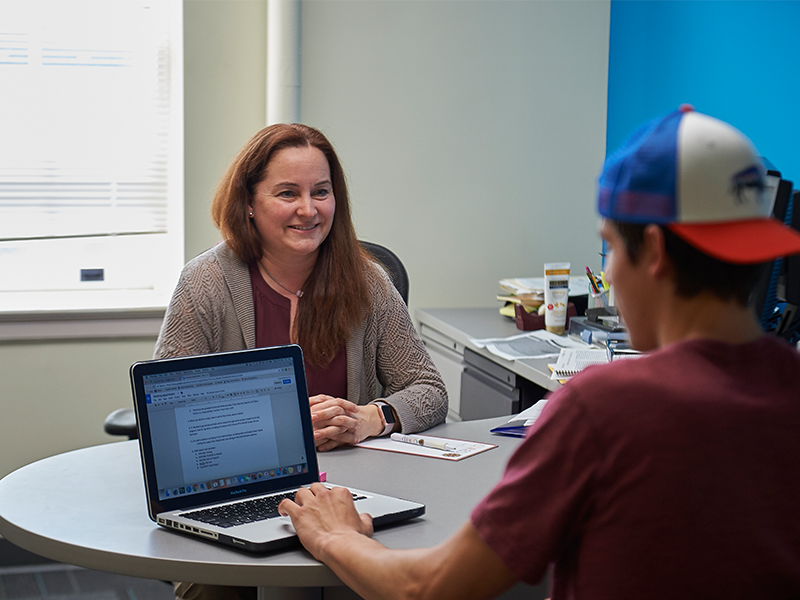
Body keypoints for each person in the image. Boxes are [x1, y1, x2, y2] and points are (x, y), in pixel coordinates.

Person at [279, 107, 800, 599]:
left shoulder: (609, 408)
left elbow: (426, 588)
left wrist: (334, 536)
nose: (610, 274)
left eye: (610, 248)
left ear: (656, 253)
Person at [156, 123, 448, 600]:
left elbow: (428, 390)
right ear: (249, 202)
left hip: (348, 495)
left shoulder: (369, 282)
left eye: (321, 192)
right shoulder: (204, 283)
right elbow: (171, 422)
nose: (308, 210)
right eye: (287, 193)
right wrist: (280, 436)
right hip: (240, 494)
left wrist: (371, 418)